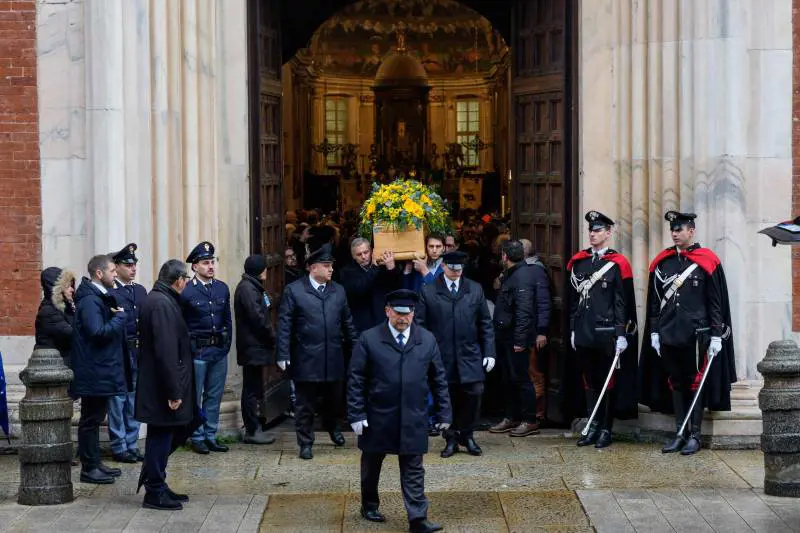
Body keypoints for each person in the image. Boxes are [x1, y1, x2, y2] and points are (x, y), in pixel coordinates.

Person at [348, 289, 451, 533]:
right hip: (378, 415)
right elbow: (356, 379)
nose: (403, 319)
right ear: (388, 311)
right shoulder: (369, 339)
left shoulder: (426, 339)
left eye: (408, 314)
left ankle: (417, 518)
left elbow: (439, 379)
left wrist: (445, 413)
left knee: (414, 467)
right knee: (372, 464)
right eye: (399, 314)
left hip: (413, 416)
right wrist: (356, 414)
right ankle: (369, 504)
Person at [639, 211, 736, 456]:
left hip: (697, 335)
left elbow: (715, 302)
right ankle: (679, 433)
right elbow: (654, 300)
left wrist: (716, 335)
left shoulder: (707, 260)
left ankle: (694, 435)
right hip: (669, 332)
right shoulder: (664, 262)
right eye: (673, 229)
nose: (675, 233)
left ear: (691, 231)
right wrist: (654, 331)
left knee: (695, 383)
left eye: (679, 229)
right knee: (676, 383)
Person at [277, 244, 359, 460]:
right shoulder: (295, 290)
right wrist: (283, 353)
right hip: (306, 356)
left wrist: (357, 348)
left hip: (333, 355)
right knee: (305, 403)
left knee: (334, 399)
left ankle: (333, 428)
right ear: (313, 268)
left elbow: (347, 322)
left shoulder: (338, 290)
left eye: (331, 265)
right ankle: (305, 441)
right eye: (326, 265)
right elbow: (285, 324)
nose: (331, 269)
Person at [566, 211, 638, 448]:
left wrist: (621, 333)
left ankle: (606, 428)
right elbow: (575, 299)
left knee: (608, 382)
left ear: (608, 233)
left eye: (598, 230)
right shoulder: (580, 262)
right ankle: (592, 426)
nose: (593, 234)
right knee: (590, 381)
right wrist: (574, 328)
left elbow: (621, 301)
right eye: (591, 230)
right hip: (585, 331)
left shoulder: (617, 263)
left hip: (607, 333)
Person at [415, 251, 495, 458]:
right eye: (452, 269)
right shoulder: (429, 290)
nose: (455, 273)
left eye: (459, 270)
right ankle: (450, 438)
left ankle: (467, 435)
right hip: (441, 355)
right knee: (447, 397)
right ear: (443, 267)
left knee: (475, 392)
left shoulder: (474, 289)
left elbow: (485, 323)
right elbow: (420, 326)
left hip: (469, 354)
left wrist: (490, 352)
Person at [135, 259, 194, 510]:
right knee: (160, 436)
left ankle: (157, 482)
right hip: (162, 388)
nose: (186, 284)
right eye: (186, 279)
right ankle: (154, 490)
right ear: (179, 280)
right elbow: (166, 350)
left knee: (179, 427)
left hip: (163, 384)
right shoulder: (161, 304)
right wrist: (174, 391)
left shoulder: (162, 300)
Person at [71, 254, 131, 484]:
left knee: (95, 419)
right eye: (112, 270)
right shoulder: (90, 300)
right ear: (99, 273)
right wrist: (119, 319)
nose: (116, 274)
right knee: (90, 420)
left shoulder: (98, 296)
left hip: (101, 370)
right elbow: (96, 331)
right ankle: (89, 469)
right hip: (94, 371)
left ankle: (94, 463)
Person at [181, 241, 232, 454]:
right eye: (205, 263)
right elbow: (181, 325)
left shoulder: (222, 288)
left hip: (218, 351)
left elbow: (227, 320)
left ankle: (211, 434)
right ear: (194, 266)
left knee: (214, 395)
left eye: (212, 262)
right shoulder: (187, 292)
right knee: (196, 396)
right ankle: (197, 435)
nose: (210, 266)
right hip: (198, 352)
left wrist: (226, 345)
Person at [489, 240, 542, 437]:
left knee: (521, 379)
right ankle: (511, 417)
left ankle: (529, 420)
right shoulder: (512, 274)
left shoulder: (521, 276)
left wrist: (520, 341)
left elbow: (524, 311)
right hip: (505, 335)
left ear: (504, 256)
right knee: (508, 378)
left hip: (515, 338)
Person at [108, 243, 148, 463]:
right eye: (128, 265)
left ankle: (132, 443)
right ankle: (119, 445)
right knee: (118, 400)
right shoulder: (111, 292)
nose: (133, 268)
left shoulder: (140, 290)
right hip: (120, 352)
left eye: (134, 264)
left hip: (138, 351)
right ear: (117, 266)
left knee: (134, 400)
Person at [234, 255, 277, 445]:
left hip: (254, 346)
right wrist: (273, 336)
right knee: (250, 389)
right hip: (252, 346)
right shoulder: (247, 289)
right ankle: (252, 429)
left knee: (254, 387)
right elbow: (257, 318)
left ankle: (255, 426)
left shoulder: (251, 286)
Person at [339, 238, 401, 334]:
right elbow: (360, 288)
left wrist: (391, 270)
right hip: (362, 325)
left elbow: (393, 289)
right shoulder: (347, 272)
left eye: (366, 252)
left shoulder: (381, 267)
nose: (363, 256)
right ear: (353, 256)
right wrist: (374, 268)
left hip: (383, 321)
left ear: (372, 251)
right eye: (359, 254)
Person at [34, 266, 76, 367]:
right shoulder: (49, 311)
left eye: (71, 286)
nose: (72, 290)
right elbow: (72, 334)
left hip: (61, 363)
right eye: (67, 286)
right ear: (57, 289)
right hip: (52, 367)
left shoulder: (64, 307)